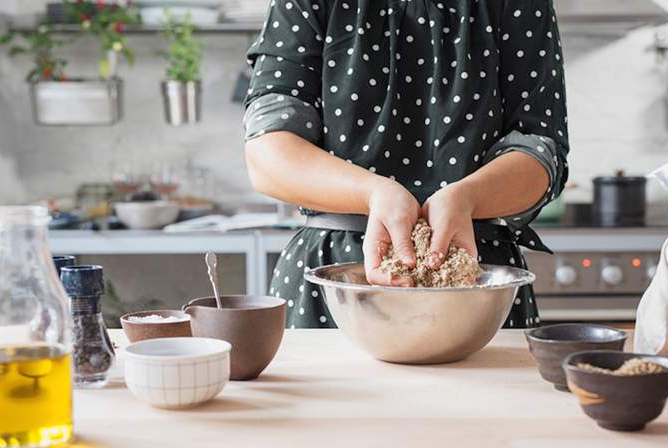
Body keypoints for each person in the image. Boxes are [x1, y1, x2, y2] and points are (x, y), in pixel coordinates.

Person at [243, 0, 569, 329]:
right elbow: (267, 152)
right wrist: (372, 194)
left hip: (476, 284)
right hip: (333, 286)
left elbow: (541, 152)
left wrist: (468, 197)